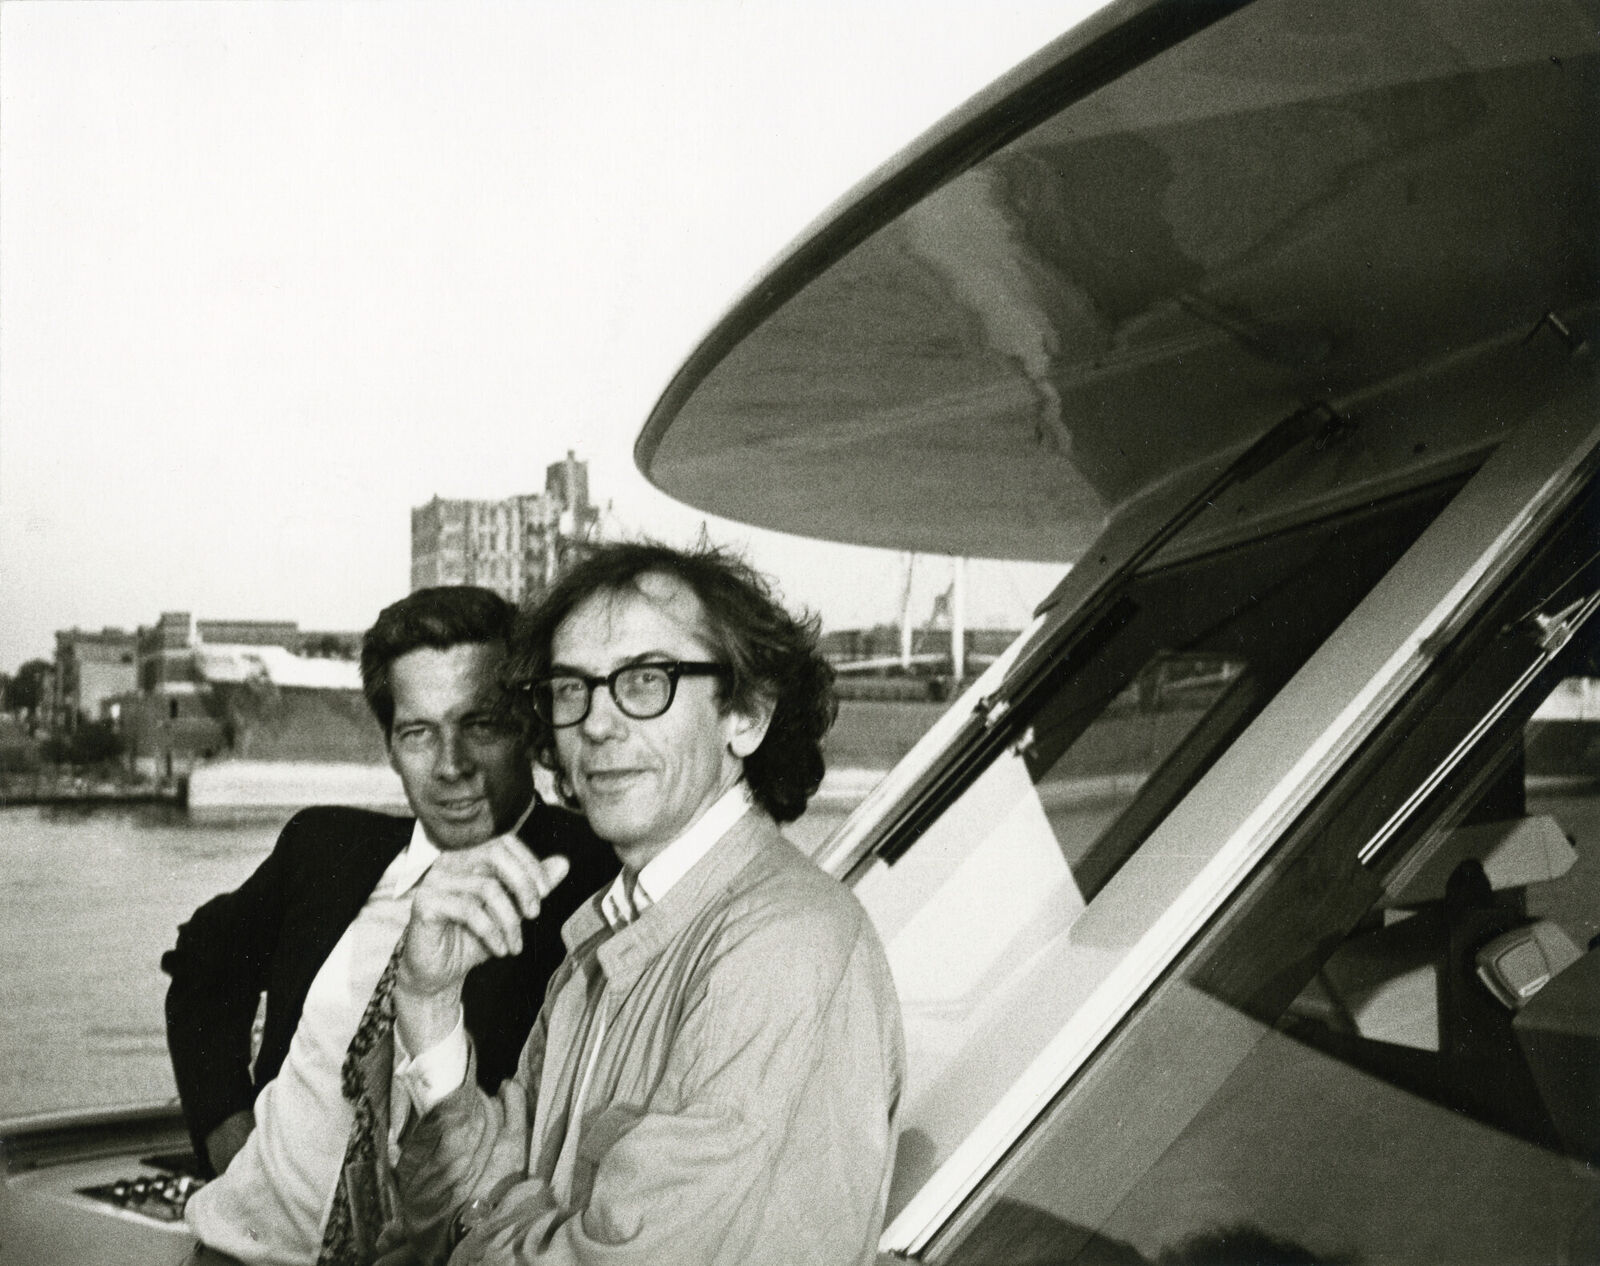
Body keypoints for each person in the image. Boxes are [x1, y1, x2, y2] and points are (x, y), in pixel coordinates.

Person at [383, 541, 906, 1265]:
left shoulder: (785, 946)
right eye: (572, 689)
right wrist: (431, 1002)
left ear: (746, 715)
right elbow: (435, 1210)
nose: (597, 723)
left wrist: (486, 1216)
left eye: (646, 680)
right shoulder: (605, 935)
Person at [162, 585, 615, 1265]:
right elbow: (201, 968)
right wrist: (228, 1133)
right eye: (418, 733)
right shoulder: (322, 849)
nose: (452, 765)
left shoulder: (596, 881)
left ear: (531, 726)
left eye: (482, 724)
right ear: (391, 747)